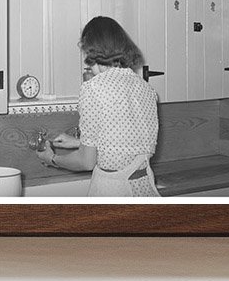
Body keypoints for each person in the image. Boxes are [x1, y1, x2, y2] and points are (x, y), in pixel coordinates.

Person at [37, 15, 161, 198]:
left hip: (114, 190)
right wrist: (77, 142)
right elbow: (126, 144)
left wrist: (52, 159)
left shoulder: (93, 88)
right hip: (143, 186)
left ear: (92, 49)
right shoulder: (146, 89)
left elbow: (86, 162)